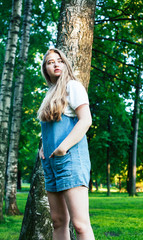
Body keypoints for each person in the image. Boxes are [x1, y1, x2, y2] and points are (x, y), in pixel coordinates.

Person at [38, 48, 95, 240]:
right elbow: (50, 128)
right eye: (50, 62)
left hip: (71, 160)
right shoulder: (49, 93)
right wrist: (43, 148)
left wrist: (63, 147)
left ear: (65, 64)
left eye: (59, 60)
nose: (55, 64)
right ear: (45, 69)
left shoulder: (73, 86)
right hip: (51, 164)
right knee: (58, 222)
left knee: (80, 225)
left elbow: (86, 120)